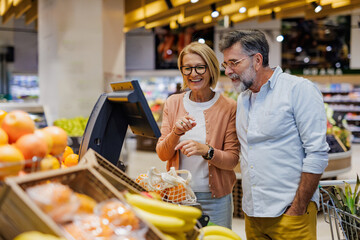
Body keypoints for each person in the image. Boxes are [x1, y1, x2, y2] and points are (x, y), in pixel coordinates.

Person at [219, 29, 329, 239]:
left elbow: (317, 154)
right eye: (226, 64)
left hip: (291, 214)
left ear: (257, 60)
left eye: (234, 63)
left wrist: (297, 207)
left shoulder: (298, 90)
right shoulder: (243, 99)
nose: (228, 71)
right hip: (253, 216)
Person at [156, 42, 240, 228]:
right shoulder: (173, 103)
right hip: (178, 196)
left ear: (210, 68)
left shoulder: (228, 107)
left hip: (216, 200)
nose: (193, 74)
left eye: (200, 67)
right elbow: (162, 153)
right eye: (187, 68)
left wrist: (207, 151)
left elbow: (232, 160)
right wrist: (176, 133)